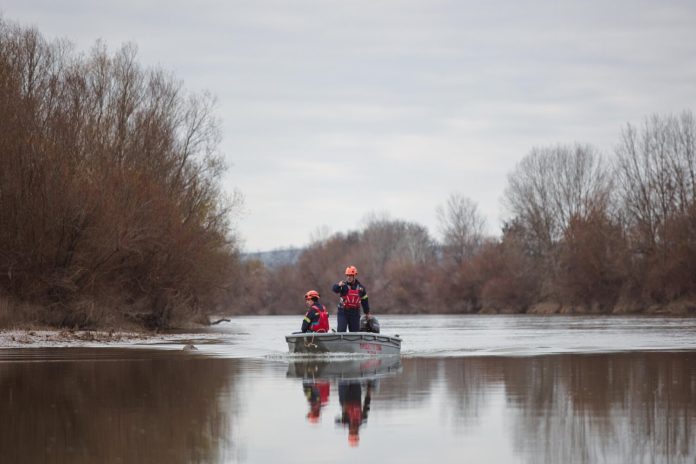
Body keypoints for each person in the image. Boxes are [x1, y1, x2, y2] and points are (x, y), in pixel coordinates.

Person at [332, 266, 370, 332]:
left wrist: (367, 313)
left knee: (355, 332)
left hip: (355, 313)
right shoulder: (343, 285)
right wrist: (338, 285)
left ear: (354, 275)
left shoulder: (361, 288)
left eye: (351, 275)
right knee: (341, 330)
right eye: (347, 275)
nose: (349, 277)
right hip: (343, 312)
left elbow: (365, 301)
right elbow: (334, 289)